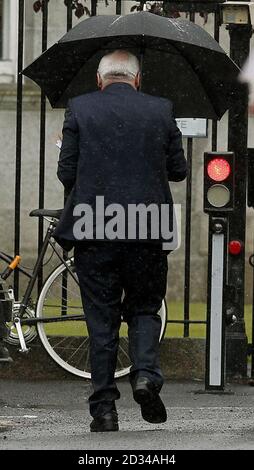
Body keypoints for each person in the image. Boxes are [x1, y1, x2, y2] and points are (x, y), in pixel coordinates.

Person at [54, 50, 187, 432]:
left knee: (102, 320)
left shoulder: (79, 108)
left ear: (100, 80)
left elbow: (67, 173)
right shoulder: (161, 110)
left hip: (95, 230)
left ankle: (104, 411)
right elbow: (177, 170)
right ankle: (145, 375)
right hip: (147, 229)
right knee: (145, 307)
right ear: (137, 79)